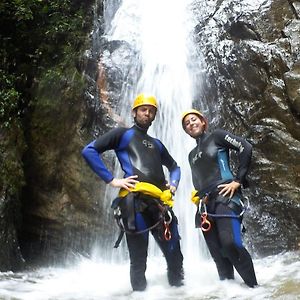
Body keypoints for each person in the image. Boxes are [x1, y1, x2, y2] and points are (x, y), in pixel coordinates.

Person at [82, 94, 184, 291]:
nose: (148, 113)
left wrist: (173, 184)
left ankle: (179, 294)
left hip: (160, 205)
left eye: (151, 110)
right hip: (135, 203)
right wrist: (112, 180)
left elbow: (175, 167)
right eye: (143, 109)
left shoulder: (157, 144)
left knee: (175, 256)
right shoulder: (123, 134)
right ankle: (140, 294)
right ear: (135, 112)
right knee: (139, 261)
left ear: (155, 115)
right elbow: (89, 151)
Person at [181, 109, 258, 288]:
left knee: (231, 244)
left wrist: (238, 180)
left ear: (203, 121)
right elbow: (197, 180)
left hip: (225, 196)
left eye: (194, 120)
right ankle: (229, 293)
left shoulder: (217, 136)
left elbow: (245, 146)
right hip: (205, 206)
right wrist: (199, 200)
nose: (191, 124)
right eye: (186, 124)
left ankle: (255, 291)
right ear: (186, 131)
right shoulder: (191, 155)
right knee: (218, 255)